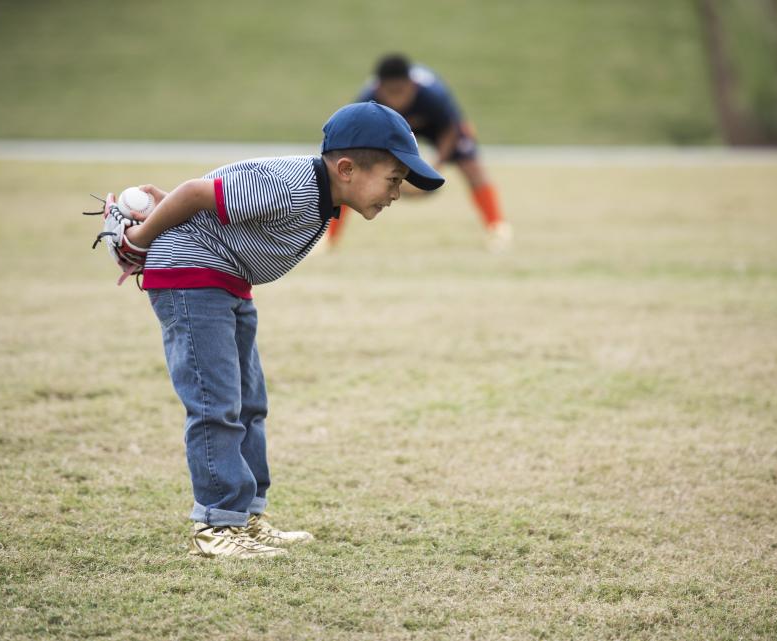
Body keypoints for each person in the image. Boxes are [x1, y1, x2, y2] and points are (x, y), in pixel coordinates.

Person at [121, 102, 444, 559]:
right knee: (217, 403)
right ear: (347, 169)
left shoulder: (322, 195)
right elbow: (196, 192)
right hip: (193, 276)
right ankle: (216, 526)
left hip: (228, 282)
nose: (396, 192)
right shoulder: (289, 187)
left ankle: (247, 518)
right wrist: (139, 241)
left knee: (249, 403)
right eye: (393, 179)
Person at [324, 53, 511, 252]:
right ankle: (330, 237)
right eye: (391, 92)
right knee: (351, 171)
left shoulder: (433, 95)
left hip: (437, 127)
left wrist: (434, 167)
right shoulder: (368, 99)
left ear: (413, 86)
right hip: (389, 126)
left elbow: (451, 129)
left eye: (402, 91)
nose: (397, 99)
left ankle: (497, 227)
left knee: (472, 167)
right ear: (379, 89)